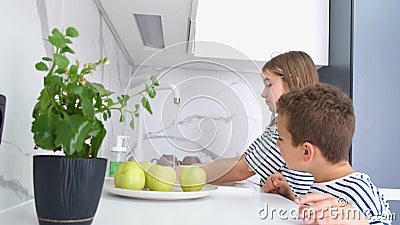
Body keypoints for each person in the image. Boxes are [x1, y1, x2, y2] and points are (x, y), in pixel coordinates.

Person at [263, 83, 391, 224]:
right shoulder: (321, 182)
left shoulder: (358, 191)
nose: (277, 143)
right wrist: (289, 196)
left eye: (281, 138)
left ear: (307, 152)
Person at [198, 51, 318, 197]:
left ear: (294, 83)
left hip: (292, 208)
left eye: (269, 84)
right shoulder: (278, 123)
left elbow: (242, 170)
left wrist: (184, 174)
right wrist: (193, 168)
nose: (263, 93)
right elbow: (245, 158)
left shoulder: (293, 127)